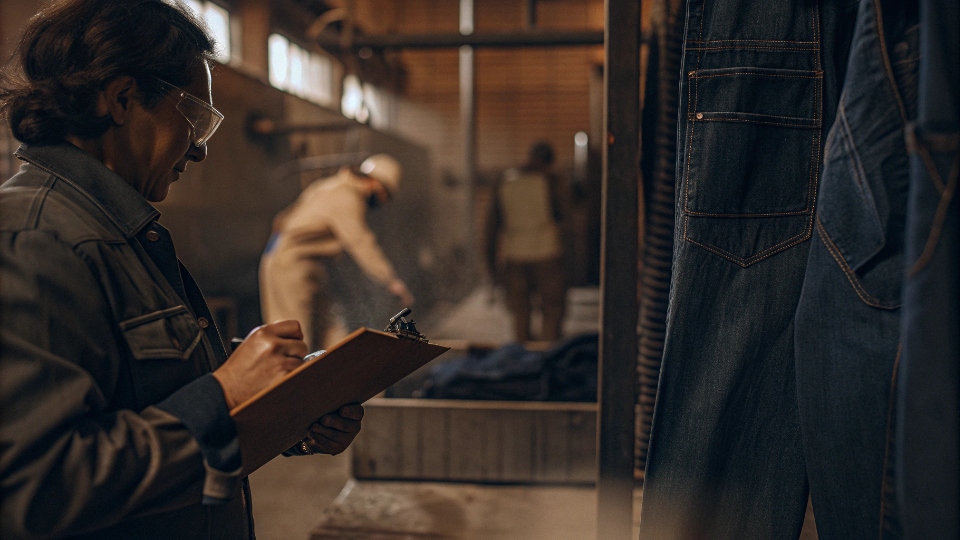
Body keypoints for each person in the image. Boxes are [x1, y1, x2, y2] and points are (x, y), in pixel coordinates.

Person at [0, 2, 362, 538]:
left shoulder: (117, 231)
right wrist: (224, 396)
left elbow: (151, 406)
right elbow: (34, 489)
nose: (200, 148)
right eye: (193, 117)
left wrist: (285, 410)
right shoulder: (35, 239)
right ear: (123, 99)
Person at [259, 154, 415, 351]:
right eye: (385, 193)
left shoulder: (329, 186)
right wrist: (392, 281)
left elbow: (282, 220)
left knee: (331, 333)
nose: (383, 200)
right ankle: (295, 381)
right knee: (293, 338)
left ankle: (335, 378)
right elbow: (360, 242)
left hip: (306, 265)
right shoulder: (346, 196)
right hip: (291, 268)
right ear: (374, 182)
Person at [485, 141, 570, 342]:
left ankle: (522, 356)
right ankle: (547, 353)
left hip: (514, 255)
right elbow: (567, 220)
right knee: (553, 308)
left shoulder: (505, 180)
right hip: (548, 253)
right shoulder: (553, 181)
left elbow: (491, 227)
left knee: (520, 311)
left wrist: (491, 265)